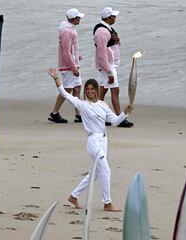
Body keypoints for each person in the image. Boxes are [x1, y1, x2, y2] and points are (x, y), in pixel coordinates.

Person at [48, 68, 133, 211]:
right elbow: (65, 94)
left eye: (92, 89)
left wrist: (125, 112)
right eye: (87, 89)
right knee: (106, 170)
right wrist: (56, 79)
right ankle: (107, 203)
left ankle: (74, 196)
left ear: (97, 90)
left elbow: (114, 122)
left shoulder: (103, 105)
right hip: (93, 142)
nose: (90, 91)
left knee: (95, 174)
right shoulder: (82, 104)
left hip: (104, 141)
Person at [93, 7, 134, 128]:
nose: (115, 18)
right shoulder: (102, 31)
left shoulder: (106, 28)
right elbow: (101, 53)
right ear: (107, 18)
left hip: (108, 65)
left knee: (103, 90)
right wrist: (109, 72)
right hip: (107, 66)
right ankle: (120, 118)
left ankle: (98, 116)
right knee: (115, 91)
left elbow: (108, 47)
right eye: (113, 16)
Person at [48, 8, 84, 123]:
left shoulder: (70, 29)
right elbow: (66, 51)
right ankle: (54, 113)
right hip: (69, 67)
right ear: (74, 19)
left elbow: (70, 50)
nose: (80, 19)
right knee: (67, 89)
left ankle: (78, 114)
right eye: (79, 17)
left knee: (77, 87)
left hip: (73, 64)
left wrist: (77, 56)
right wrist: (73, 67)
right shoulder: (66, 31)